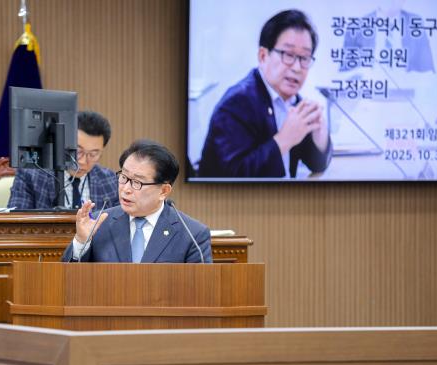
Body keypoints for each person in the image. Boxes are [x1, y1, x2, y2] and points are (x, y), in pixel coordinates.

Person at [198, 9, 332, 178]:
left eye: (304, 57)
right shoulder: (236, 103)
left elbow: (317, 164)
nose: (297, 67)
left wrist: (320, 134)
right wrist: (284, 139)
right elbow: (233, 176)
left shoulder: (294, 102)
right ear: (263, 56)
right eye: (288, 54)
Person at [62, 139, 212, 263]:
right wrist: (81, 241)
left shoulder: (192, 234)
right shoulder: (98, 223)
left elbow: (201, 287)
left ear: (163, 191)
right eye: (124, 177)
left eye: (137, 182)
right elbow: (68, 279)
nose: (126, 189)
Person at [7, 110, 119, 210]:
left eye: (93, 154)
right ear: (62, 144)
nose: (83, 161)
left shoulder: (110, 181)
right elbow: (17, 222)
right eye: (78, 151)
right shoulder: (30, 176)